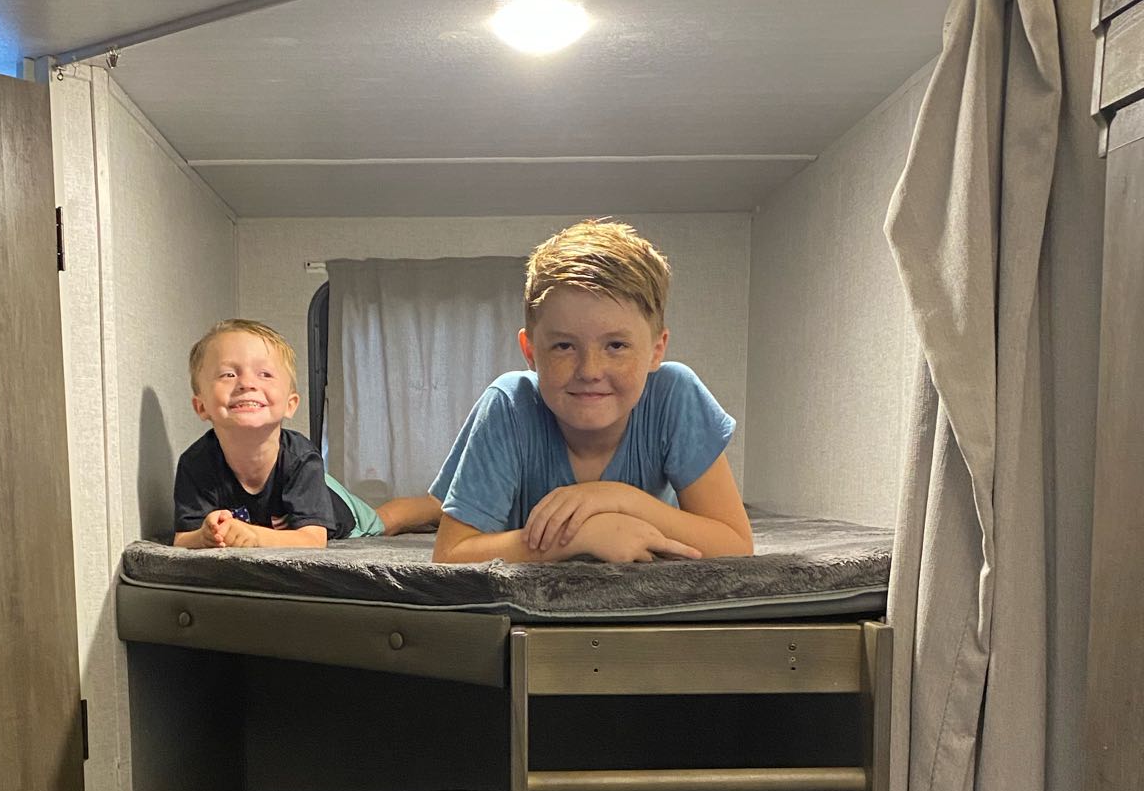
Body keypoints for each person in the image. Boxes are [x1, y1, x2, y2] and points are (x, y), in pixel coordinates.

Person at [430, 220, 753, 564]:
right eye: (564, 346)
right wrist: (577, 539)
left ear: (656, 350)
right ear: (530, 351)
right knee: (434, 509)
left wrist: (619, 499)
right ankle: (418, 508)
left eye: (616, 345)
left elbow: (735, 543)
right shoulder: (509, 406)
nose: (589, 371)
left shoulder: (675, 395)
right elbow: (450, 555)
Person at [172, 319, 441, 548]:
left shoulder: (300, 458)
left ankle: (440, 506)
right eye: (228, 374)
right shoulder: (195, 464)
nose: (247, 383)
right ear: (201, 406)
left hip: (336, 509)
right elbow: (182, 539)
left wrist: (254, 536)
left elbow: (313, 539)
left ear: (290, 405)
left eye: (264, 374)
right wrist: (204, 535)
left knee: (385, 521)